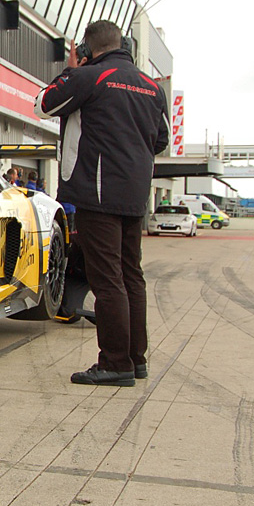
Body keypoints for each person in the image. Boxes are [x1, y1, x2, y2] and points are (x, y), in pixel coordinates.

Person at [34, 20, 169, 387]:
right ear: (122, 43)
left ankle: (115, 363)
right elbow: (161, 141)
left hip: (97, 195)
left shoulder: (90, 76)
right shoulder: (152, 88)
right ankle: (135, 359)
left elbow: (43, 105)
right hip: (135, 194)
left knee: (107, 279)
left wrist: (71, 70)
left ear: (89, 48)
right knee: (131, 276)